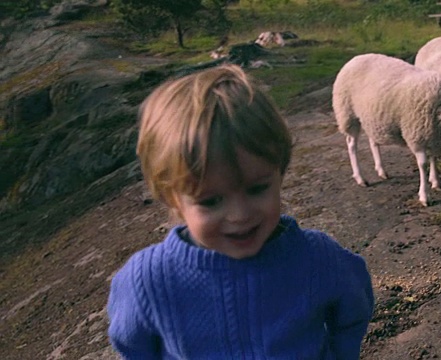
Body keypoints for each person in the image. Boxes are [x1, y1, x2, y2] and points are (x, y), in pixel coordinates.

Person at [107, 65, 375, 359]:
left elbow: (353, 308)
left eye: (257, 189)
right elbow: (134, 348)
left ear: (279, 172)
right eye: (210, 201)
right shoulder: (147, 281)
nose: (239, 214)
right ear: (171, 197)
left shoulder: (316, 258)